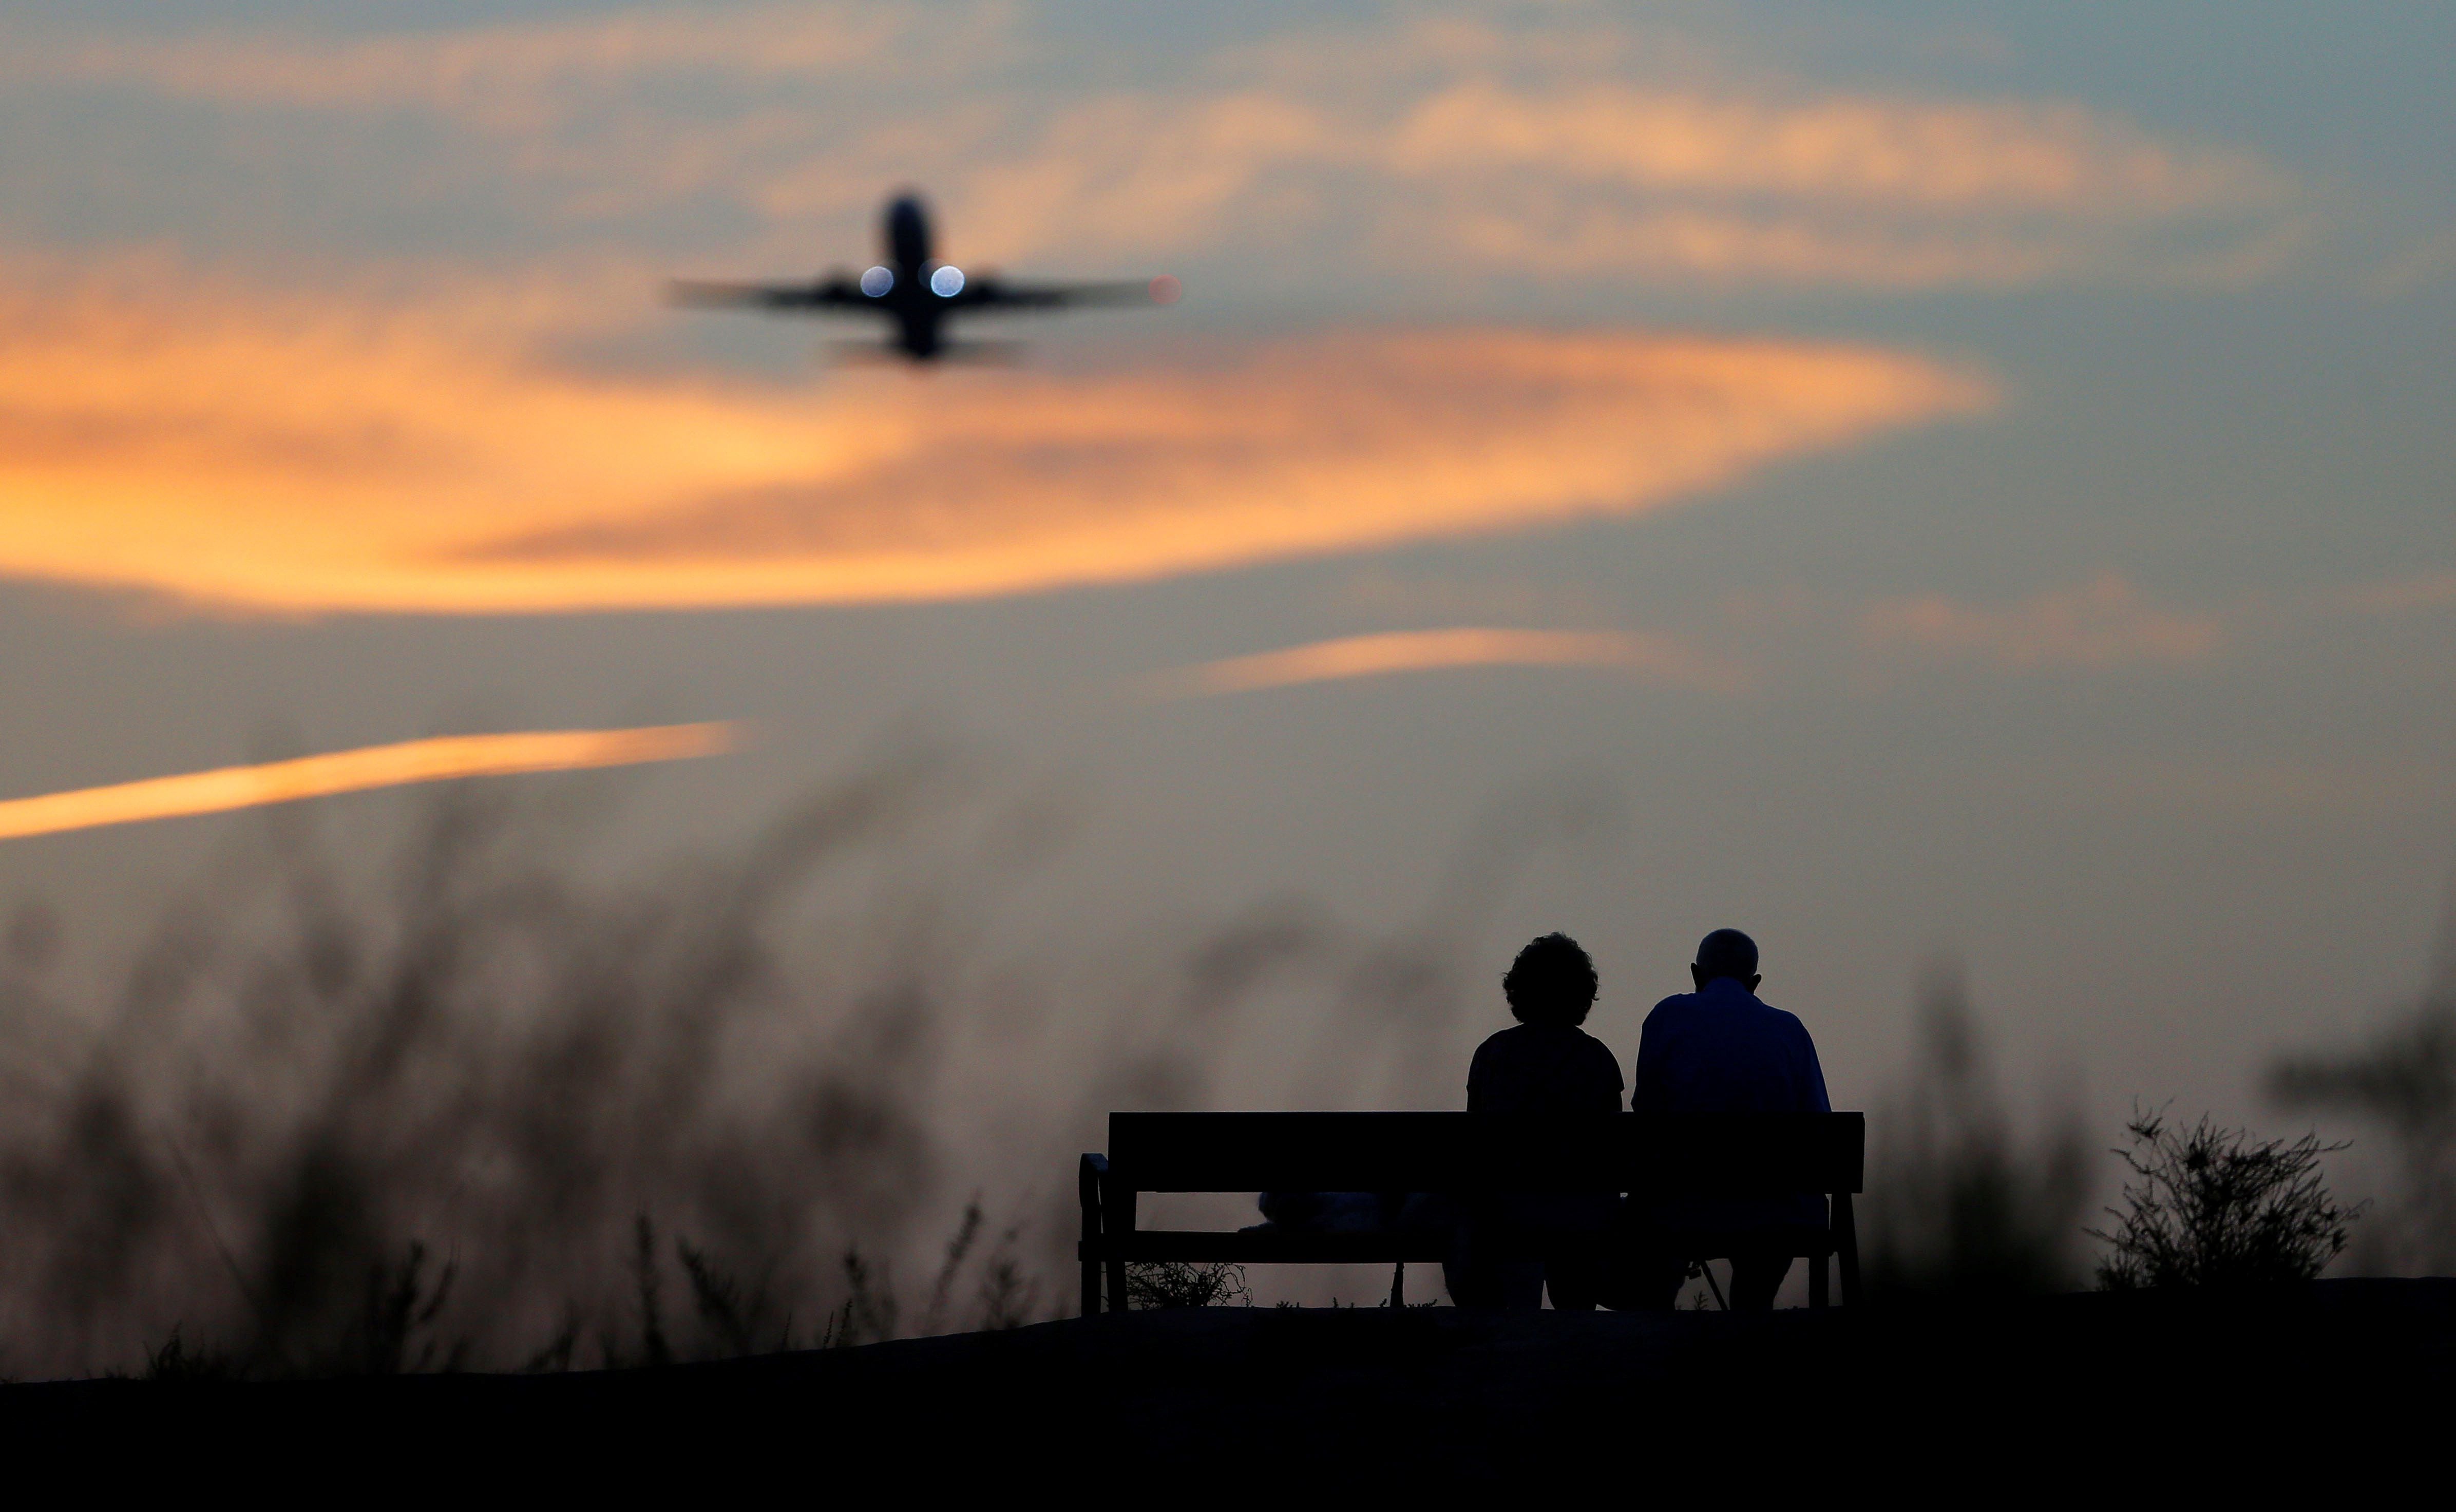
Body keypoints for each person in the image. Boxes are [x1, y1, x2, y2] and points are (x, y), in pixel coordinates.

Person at [1626, 927, 1830, 1310]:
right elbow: (1820, 1128)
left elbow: (1646, 1111)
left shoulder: (1666, 1016)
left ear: (1695, 974)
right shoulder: (1790, 1029)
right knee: (1767, 1236)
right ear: (1754, 983)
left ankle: (1658, 1328)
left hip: (1681, 1204)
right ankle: (1749, 1320)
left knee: (1655, 1202)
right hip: (1772, 1212)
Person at [1447, 932, 1623, 1311]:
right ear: (1580, 993)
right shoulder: (1597, 1060)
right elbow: (1615, 1155)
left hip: (1506, 1217)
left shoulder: (1492, 1055)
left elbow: (1473, 1148)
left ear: (1520, 990)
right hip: (1582, 1220)